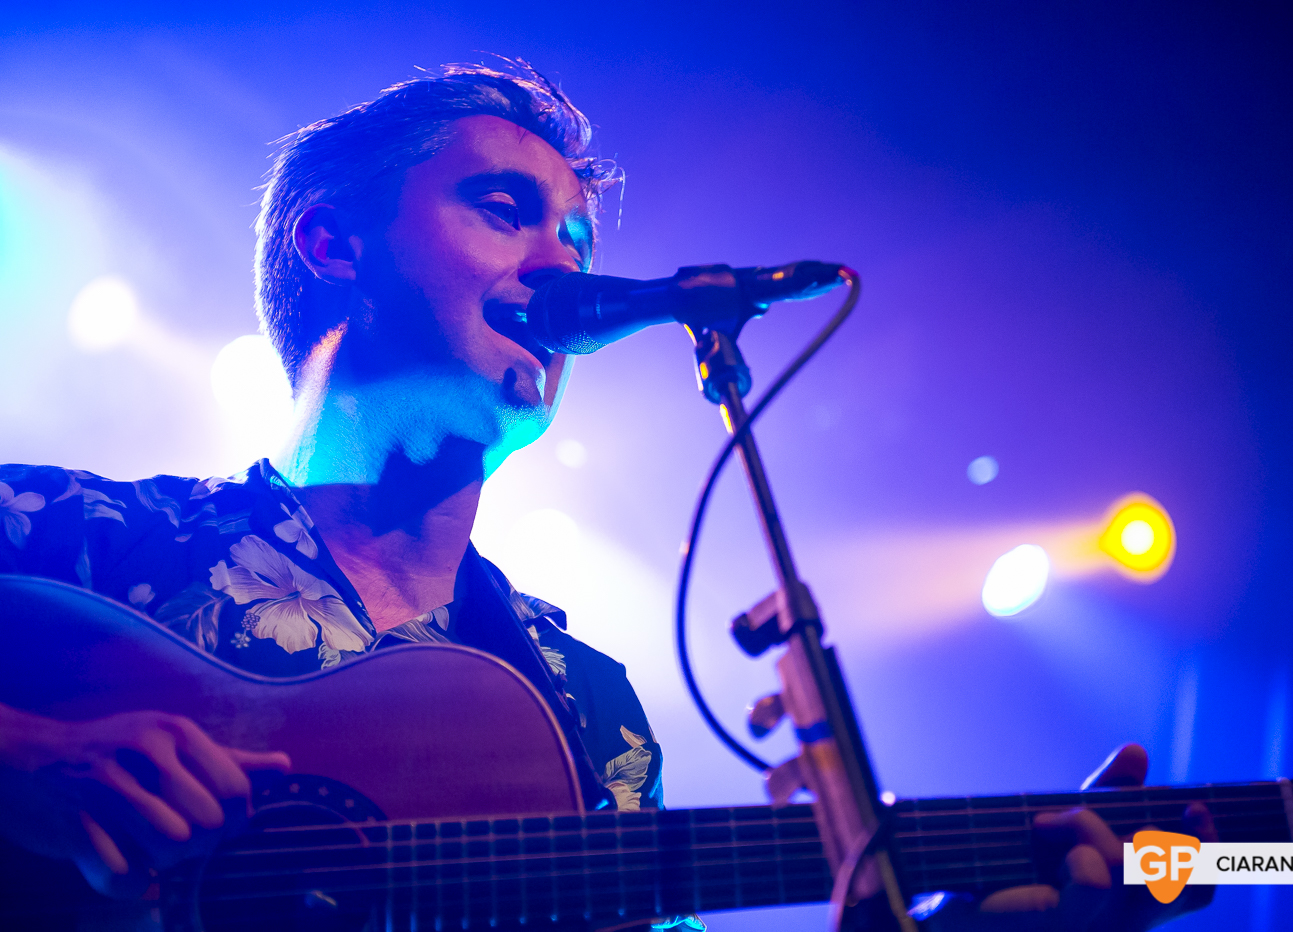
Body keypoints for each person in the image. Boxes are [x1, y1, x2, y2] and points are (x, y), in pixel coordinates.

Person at [0, 63, 1213, 930]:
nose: (564, 267)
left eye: (577, 237)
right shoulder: (87, 538)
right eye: (504, 208)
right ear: (333, 246)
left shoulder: (587, 712)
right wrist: (33, 762)